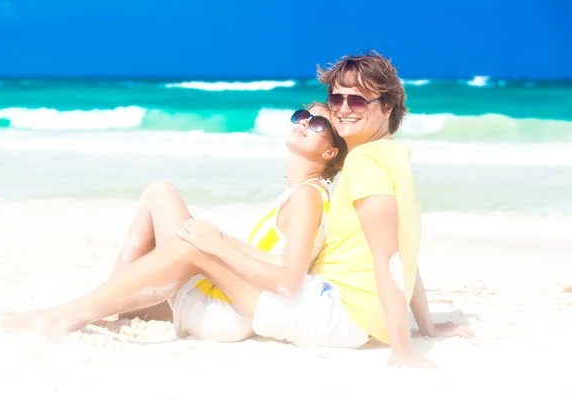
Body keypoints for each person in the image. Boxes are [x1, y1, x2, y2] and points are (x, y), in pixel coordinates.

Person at [177, 51, 475, 367]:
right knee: (205, 245)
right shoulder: (393, 157)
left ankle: (120, 305)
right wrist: (427, 327)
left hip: (335, 312)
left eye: (358, 101)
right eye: (336, 100)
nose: (343, 110)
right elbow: (404, 253)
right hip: (348, 312)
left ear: (386, 107)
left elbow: (388, 259)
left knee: (196, 251)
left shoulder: (364, 163)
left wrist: (402, 351)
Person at [1, 103, 347, 342]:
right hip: (233, 304)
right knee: (161, 193)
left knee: (168, 208)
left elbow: (290, 277)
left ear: (330, 153)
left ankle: (70, 315)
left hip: (230, 314)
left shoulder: (307, 196)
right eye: (303, 115)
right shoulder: (302, 193)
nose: (304, 122)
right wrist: (219, 240)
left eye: (318, 124)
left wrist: (216, 245)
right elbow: (275, 259)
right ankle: (102, 303)